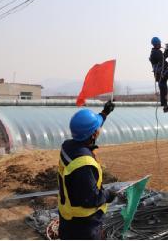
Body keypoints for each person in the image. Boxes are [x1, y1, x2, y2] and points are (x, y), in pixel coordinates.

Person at [58, 101, 117, 239]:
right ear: (93, 135)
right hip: (83, 225)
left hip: (67, 218)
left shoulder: (67, 147)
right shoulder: (84, 164)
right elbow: (91, 199)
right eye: (97, 128)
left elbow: (88, 129)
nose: (99, 129)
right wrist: (108, 195)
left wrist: (105, 113)